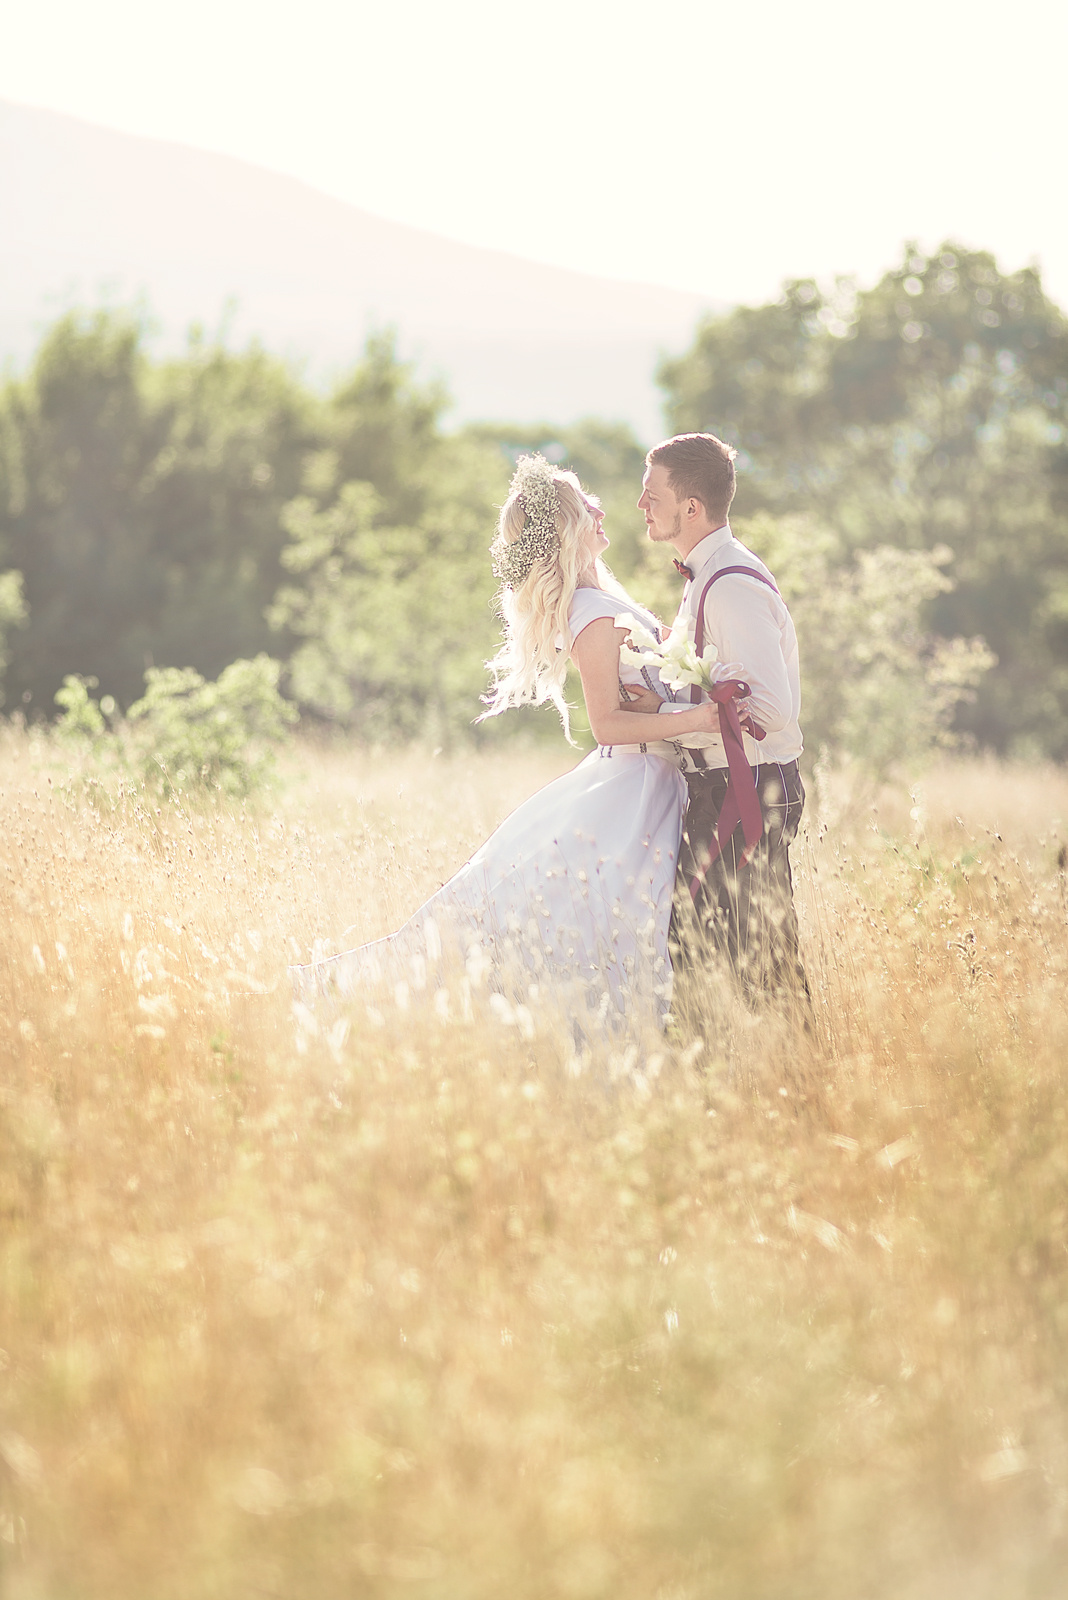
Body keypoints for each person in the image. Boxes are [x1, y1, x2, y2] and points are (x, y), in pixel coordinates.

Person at [292, 453, 725, 1029]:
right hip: (633, 790)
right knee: (594, 934)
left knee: (610, 936)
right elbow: (608, 725)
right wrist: (695, 720)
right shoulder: (592, 614)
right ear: (568, 526)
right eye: (583, 502)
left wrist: (673, 704)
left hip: (650, 783)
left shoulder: (603, 599)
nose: (599, 506)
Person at [628, 431, 809, 1005]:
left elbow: (774, 709)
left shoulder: (730, 585)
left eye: (650, 492)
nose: (641, 504)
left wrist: (669, 710)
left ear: (691, 508)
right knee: (717, 954)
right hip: (724, 787)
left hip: (746, 790)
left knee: (755, 963)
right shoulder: (707, 576)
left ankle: (791, 1081)